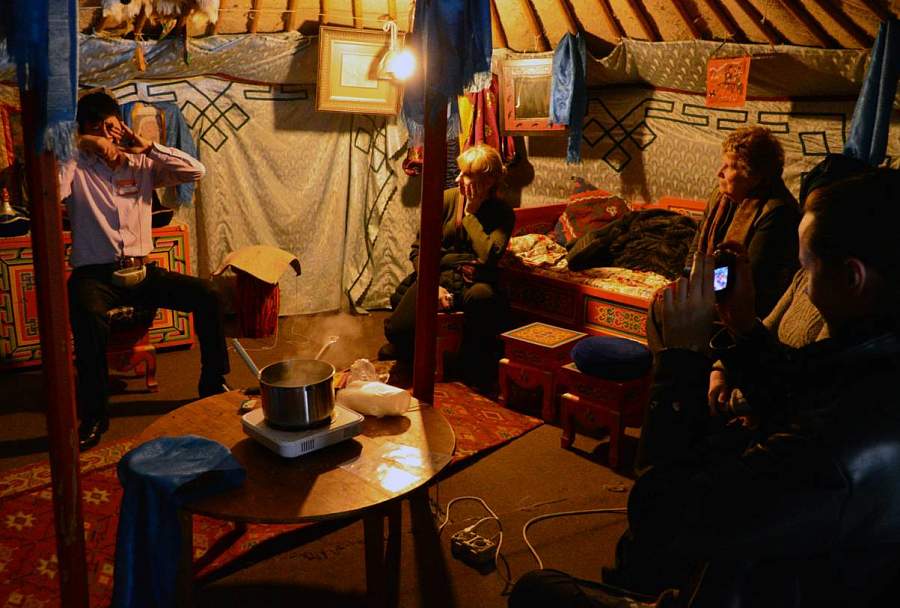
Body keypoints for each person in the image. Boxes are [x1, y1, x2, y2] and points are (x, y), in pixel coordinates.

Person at [509, 168, 900, 607]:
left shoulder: (838, 444)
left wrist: (679, 363)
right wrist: (742, 325)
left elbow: (661, 514)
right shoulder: (870, 361)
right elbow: (799, 390)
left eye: (806, 268)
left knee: (535, 591)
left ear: (852, 277)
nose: (803, 285)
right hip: (772, 570)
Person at [60, 91, 230, 450]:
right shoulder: (77, 167)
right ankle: (94, 416)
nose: (105, 135)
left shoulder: (141, 164)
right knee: (87, 315)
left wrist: (148, 147)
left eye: (109, 127)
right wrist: (81, 145)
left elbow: (196, 170)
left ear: (120, 125)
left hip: (141, 272)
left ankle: (213, 384)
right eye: (94, 128)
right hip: (95, 275)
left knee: (209, 294)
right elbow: (52, 187)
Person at [647, 127, 801, 352]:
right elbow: (697, 248)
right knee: (663, 300)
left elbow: (749, 277)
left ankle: (687, 368)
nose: (719, 172)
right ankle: (665, 366)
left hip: (745, 307)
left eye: (729, 166)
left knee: (668, 311)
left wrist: (699, 292)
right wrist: (686, 281)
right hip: (713, 285)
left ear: (754, 176)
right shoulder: (721, 197)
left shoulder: (777, 213)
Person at [381, 144, 515, 390]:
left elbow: (488, 255)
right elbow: (419, 249)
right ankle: (411, 348)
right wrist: (433, 285)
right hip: (438, 275)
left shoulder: (502, 212)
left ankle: (471, 363)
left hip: (473, 280)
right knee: (396, 330)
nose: (458, 178)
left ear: (488, 181)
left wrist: (471, 214)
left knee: (483, 297)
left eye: (467, 175)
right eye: (460, 172)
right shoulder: (446, 199)